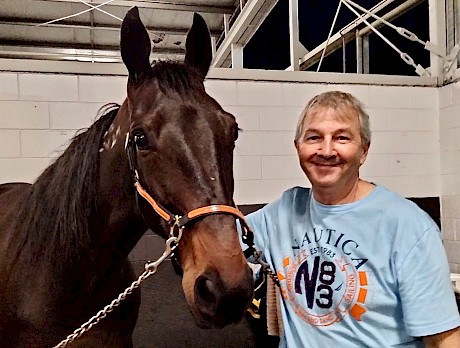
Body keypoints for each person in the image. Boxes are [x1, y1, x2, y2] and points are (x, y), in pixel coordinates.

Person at [242, 91, 460, 347]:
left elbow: (444, 340)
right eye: (314, 138)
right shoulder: (282, 213)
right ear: (297, 147)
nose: (326, 150)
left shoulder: (408, 227)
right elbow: (216, 235)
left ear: (364, 151)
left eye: (341, 138)